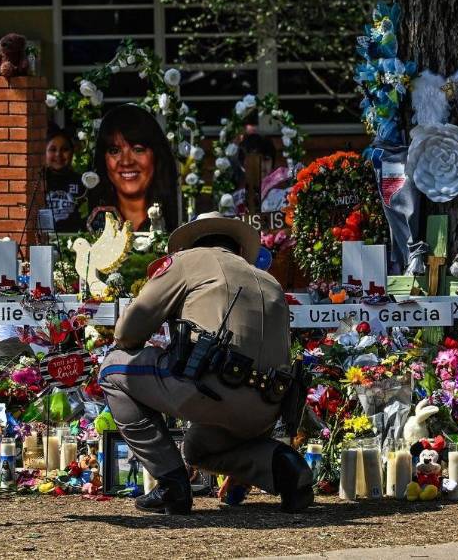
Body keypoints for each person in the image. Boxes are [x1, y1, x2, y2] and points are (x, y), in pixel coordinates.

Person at [98, 212, 312, 515]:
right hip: (268, 408)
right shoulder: (270, 281)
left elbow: (127, 332)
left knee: (111, 368)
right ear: (237, 247)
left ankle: (172, 485)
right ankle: (285, 467)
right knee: (198, 449)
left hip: (209, 387)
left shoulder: (188, 261)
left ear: (193, 243)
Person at [88, 104, 179, 232]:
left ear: (156, 155)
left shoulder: (180, 218)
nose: (126, 161)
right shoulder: (90, 222)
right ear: (103, 160)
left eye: (138, 149)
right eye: (114, 151)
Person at [42, 125, 86, 233]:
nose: (58, 154)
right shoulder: (38, 181)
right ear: (44, 153)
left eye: (65, 149)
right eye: (52, 149)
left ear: (72, 152)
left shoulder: (82, 182)